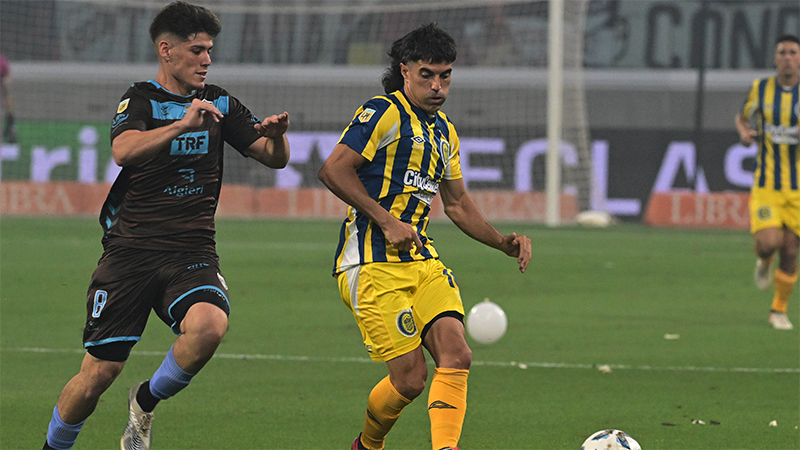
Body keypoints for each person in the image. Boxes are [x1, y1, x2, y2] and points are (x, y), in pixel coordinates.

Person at [42, 2, 290, 449]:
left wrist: (277, 138)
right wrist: (181, 124)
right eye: (197, 50)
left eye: (209, 50)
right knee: (98, 374)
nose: (206, 59)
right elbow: (123, 150)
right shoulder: (140, 99)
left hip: (192, 251)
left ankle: (145, 400)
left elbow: (272, 159)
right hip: (131, 252)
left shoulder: (219, 102)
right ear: (166, 50)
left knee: (210, 326)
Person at [318, 23, 531, 450]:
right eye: (427, 75)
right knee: (410, 379)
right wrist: (386, 221)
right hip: (371, 264)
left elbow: (457, 203)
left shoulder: (445, 131)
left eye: (445, 75)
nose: (437, 86)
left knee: (458, 354)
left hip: (421, 262)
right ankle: (367, 445)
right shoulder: (383, 112)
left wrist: (500, 242)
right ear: (405, 71)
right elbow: (333, 170)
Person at [735, 33, 800, 330]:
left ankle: (778, 310)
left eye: (793, 52)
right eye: (782, 52)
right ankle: (763, 260)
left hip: (798, 190)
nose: (787, 57)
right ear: (775, 58)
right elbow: (742, 118)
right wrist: (744, 134)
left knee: (791, 250)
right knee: (768, 243)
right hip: (767, 185)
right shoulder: (760, 89)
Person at [0, 53, 18, 143]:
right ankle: (11, 125)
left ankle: (11, 124)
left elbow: (7, 93)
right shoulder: (2, 62)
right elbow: (7, 93)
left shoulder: (2, 62)